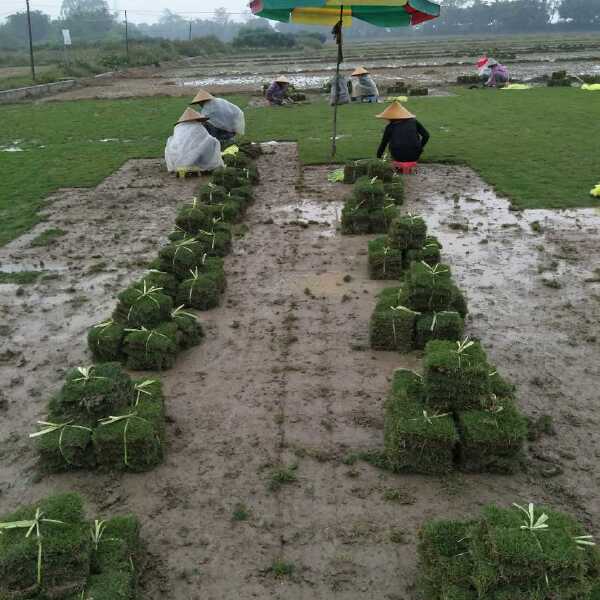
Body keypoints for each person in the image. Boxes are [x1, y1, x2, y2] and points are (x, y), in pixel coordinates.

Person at [164, 108, 224, 173]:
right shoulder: (197, 127)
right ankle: (203, 165)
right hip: (192, 157)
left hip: (176, 158)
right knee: (212, 142)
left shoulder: (178, 127)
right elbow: (206, 139)